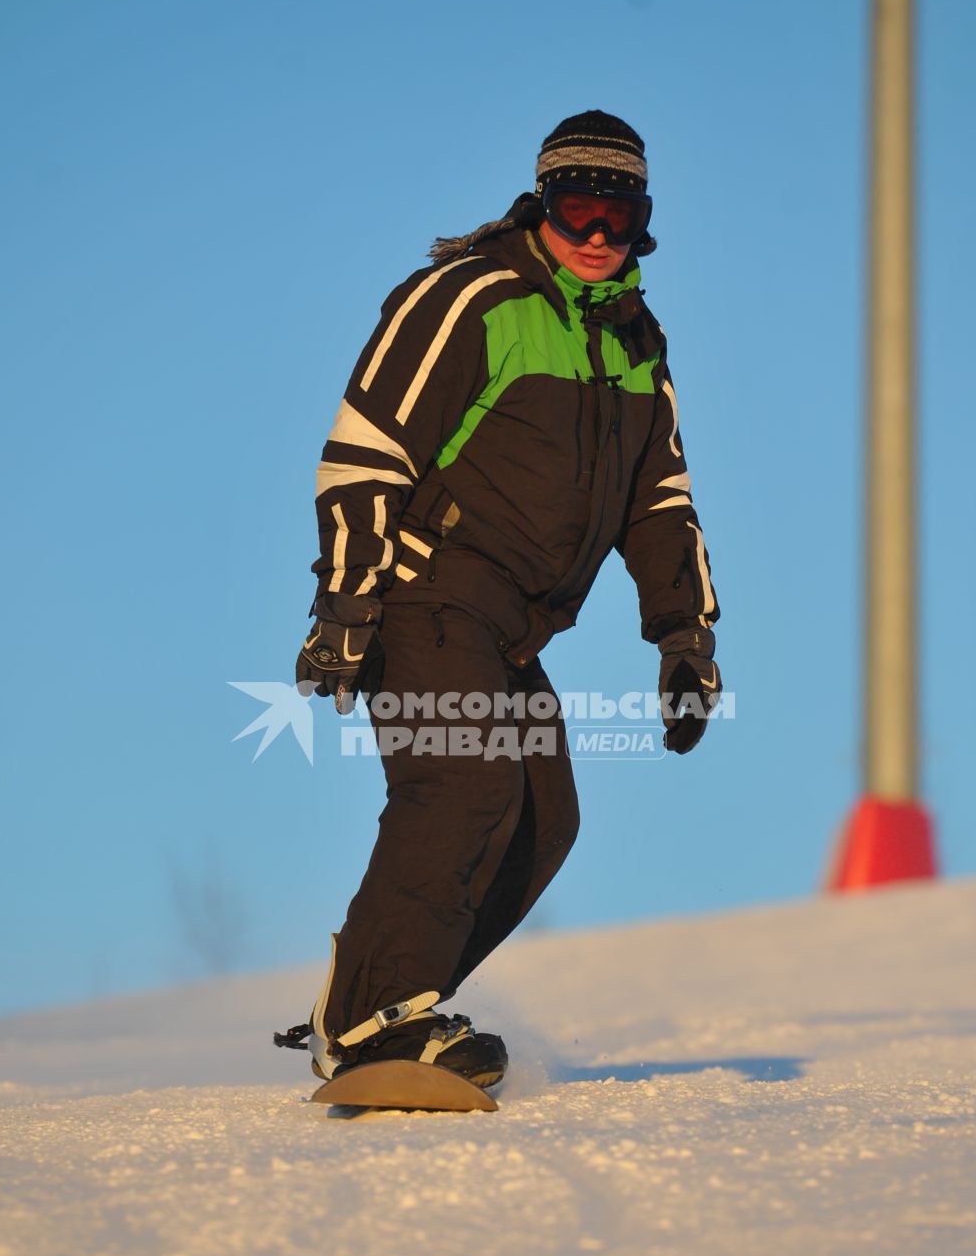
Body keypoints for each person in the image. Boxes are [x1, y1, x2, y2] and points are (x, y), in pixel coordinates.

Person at [275, 112, 721, 1092]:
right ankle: (368, 1020)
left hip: (511, 627)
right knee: (467, 786)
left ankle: (381, 996)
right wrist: (345, 601)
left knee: (541, 823)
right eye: (578, 206)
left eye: (619, 211)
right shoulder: (470, 298)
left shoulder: (635, 343)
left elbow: (658, 500)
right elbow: (365, 451)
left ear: (642, 220)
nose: (597, 232)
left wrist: (681, 635)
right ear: (542, 202)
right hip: (419, 589)